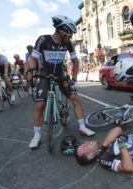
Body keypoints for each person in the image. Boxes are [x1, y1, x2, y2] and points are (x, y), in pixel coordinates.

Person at [28, 15, 95, 149]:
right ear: (62, 32)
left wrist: (74, 79)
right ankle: (36, 135)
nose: (71, 38)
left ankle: (82, 127)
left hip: (60, 74)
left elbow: (75, 61)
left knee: (75, 98)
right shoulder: (43, 40)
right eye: (69, 35)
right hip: (45, 74)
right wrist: (32, 69)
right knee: (40, 105)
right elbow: (33, 57)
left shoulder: (67, 44)